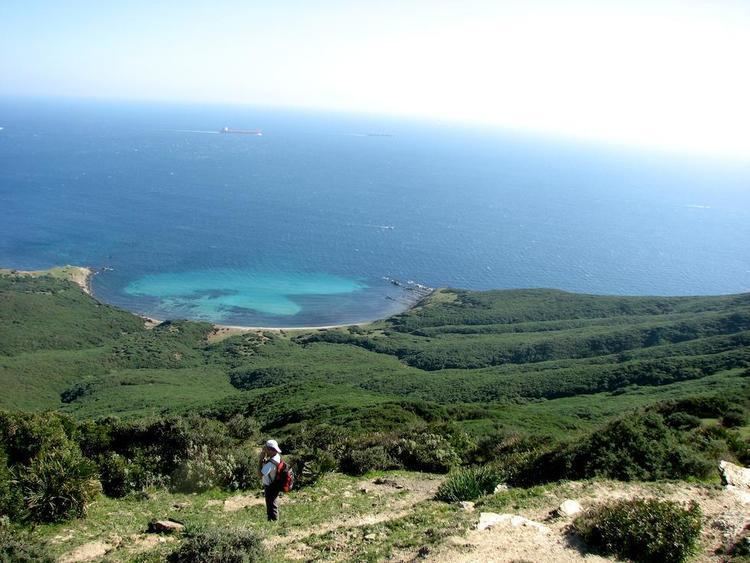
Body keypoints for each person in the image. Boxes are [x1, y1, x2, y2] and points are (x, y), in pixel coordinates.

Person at [258, 439, 283, 521]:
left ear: (270, 450)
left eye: (266, 449)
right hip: (275, 484)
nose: (264, 450)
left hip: (270, 486)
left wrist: (260, 460)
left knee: (271, 506)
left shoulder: (271, 463)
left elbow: (259, 474)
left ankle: (273, 523)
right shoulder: (276, 457)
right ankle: (273, 522)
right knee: (272, 504)